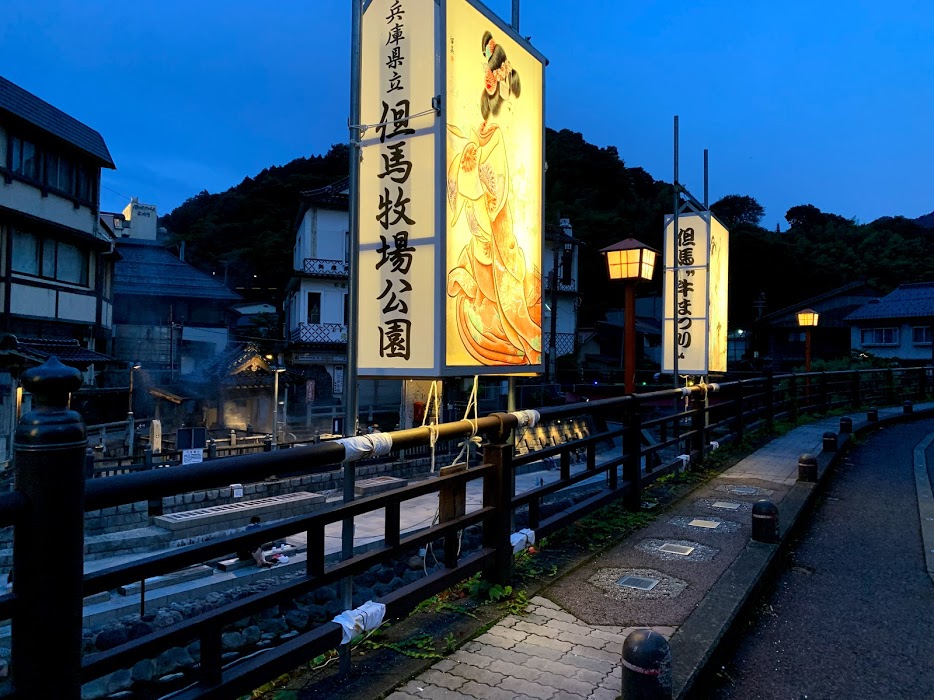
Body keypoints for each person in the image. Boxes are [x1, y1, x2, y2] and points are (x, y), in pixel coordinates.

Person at [446, 31, 542, 366]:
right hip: (479, 226)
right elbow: (460, 164)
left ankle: (518, 338)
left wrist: (480, 177)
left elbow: (498, 185)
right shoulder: (470, 129)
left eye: (495, 74)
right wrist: (465, 159)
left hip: (494, 224)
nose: (490, 80)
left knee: (505, 278)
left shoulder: (498, 134)